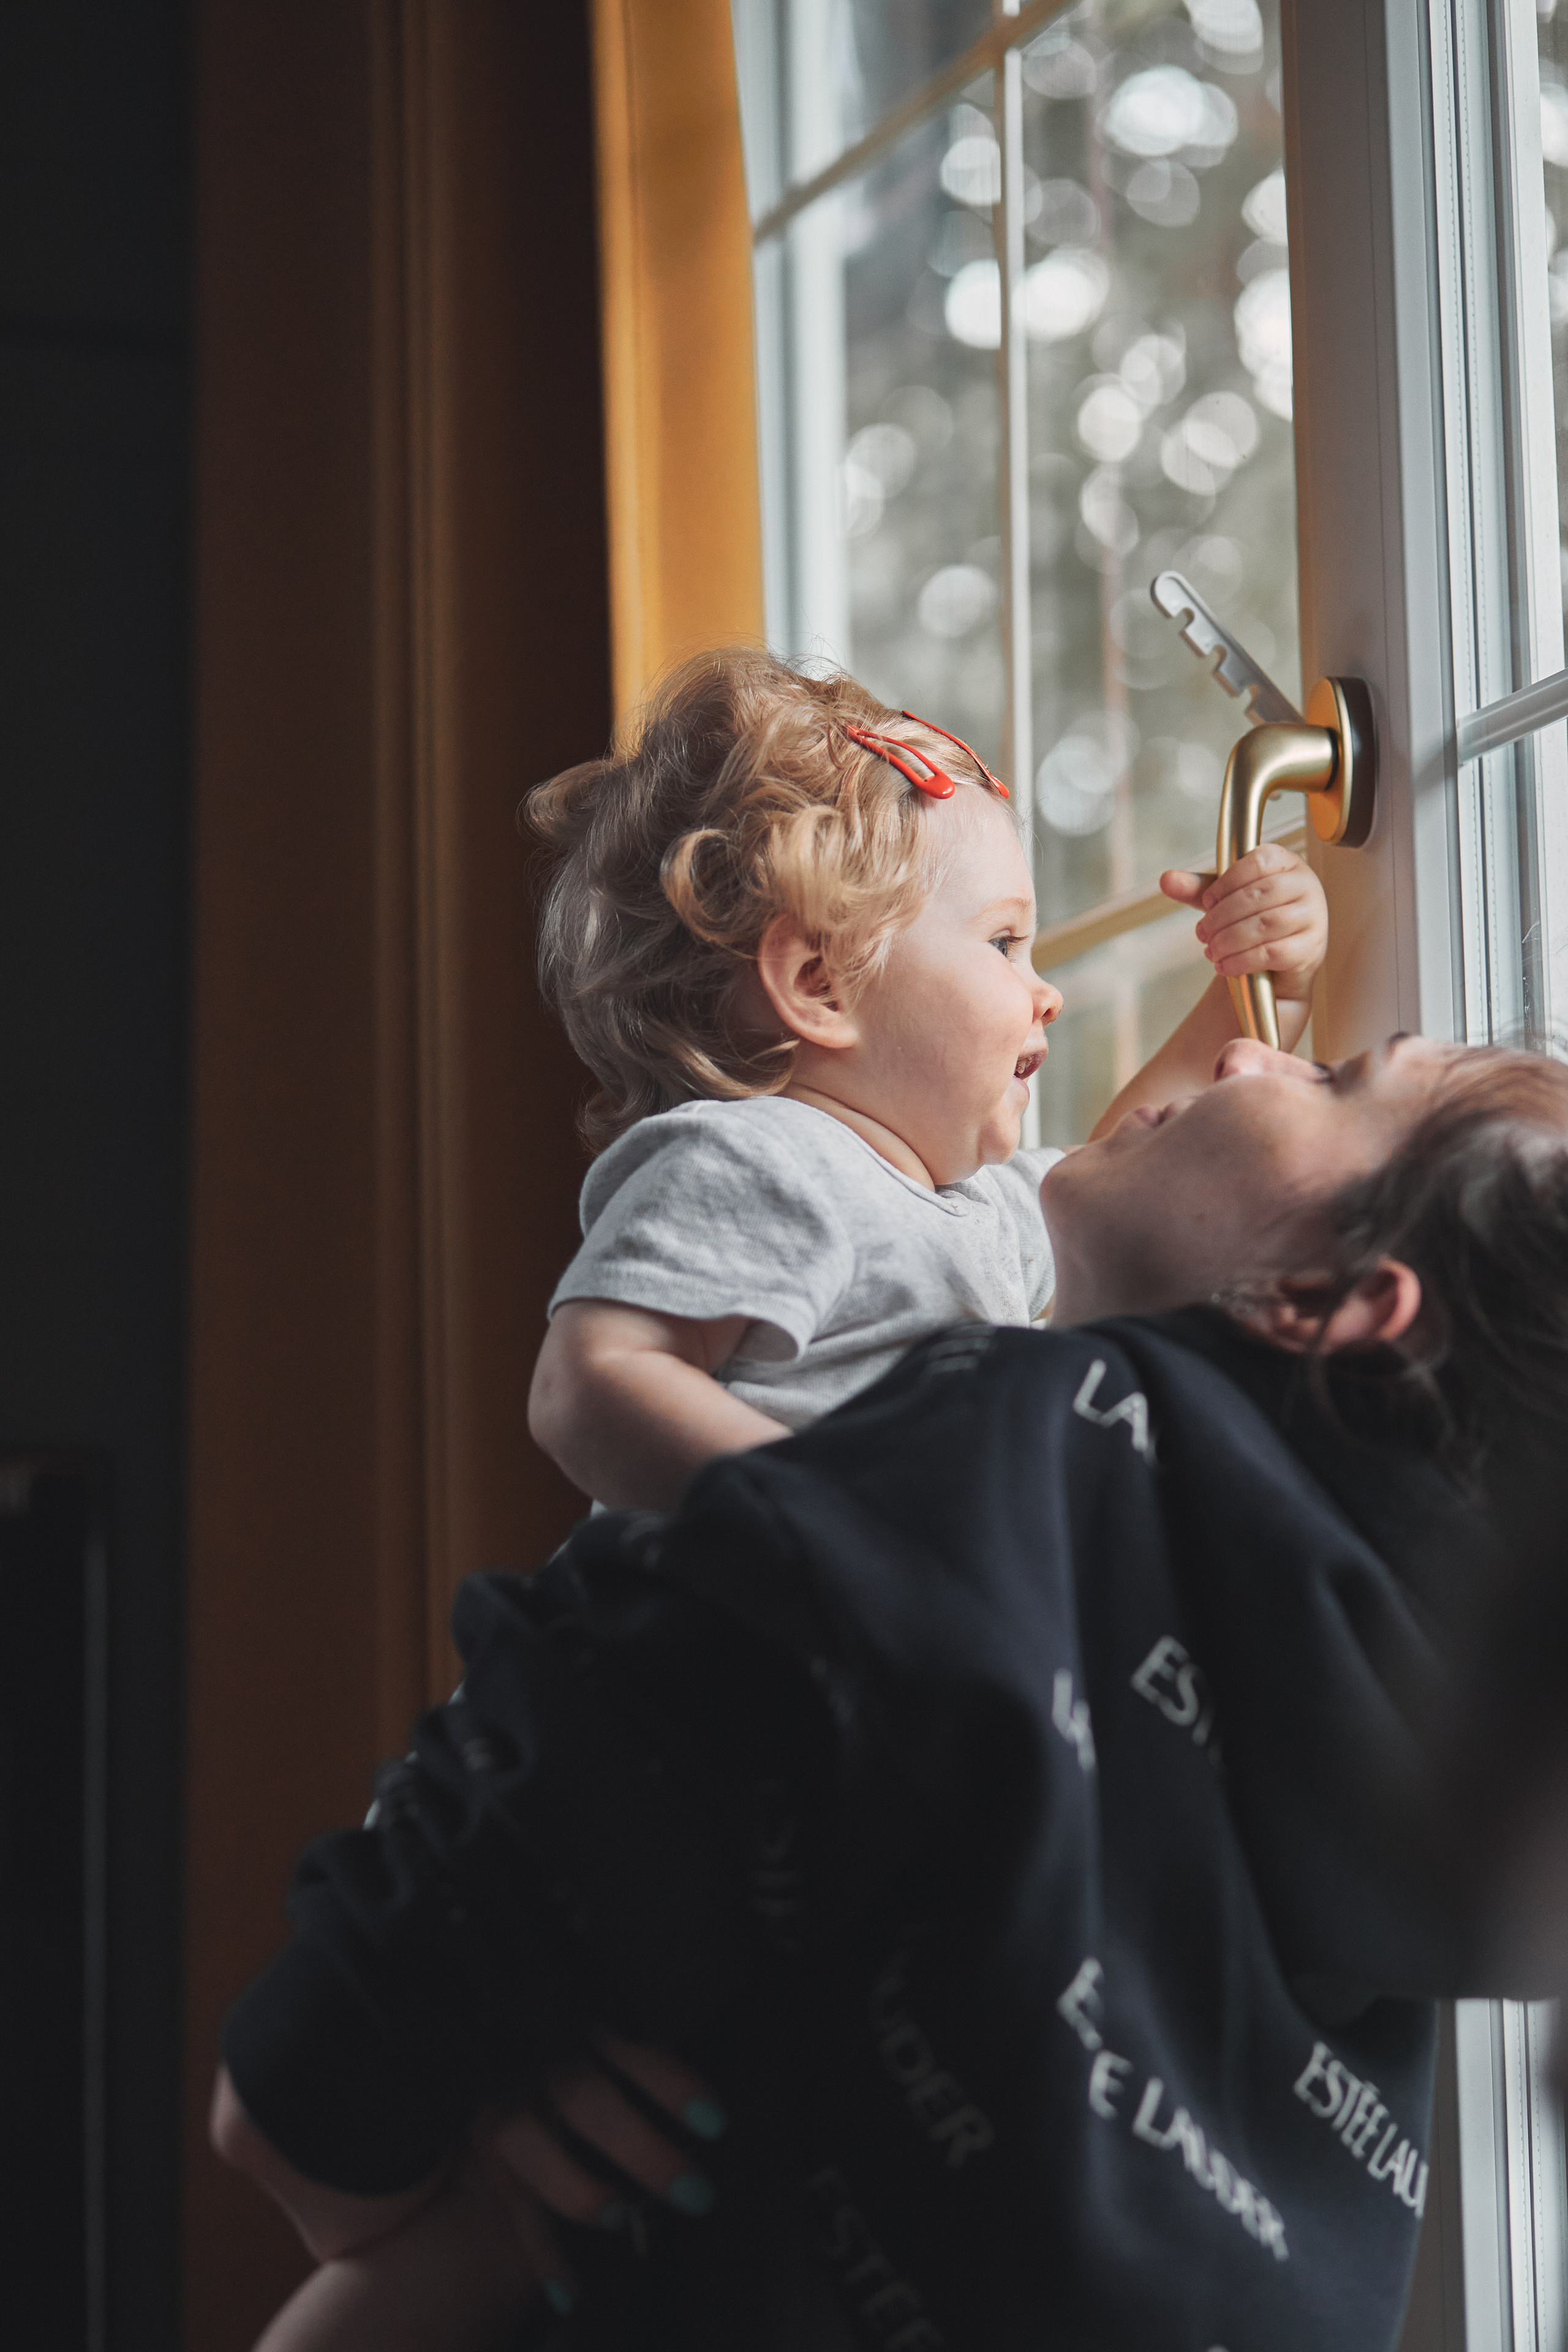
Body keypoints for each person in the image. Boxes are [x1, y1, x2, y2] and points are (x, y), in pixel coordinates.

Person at [213, 1030, 1568, 2352]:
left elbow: (622, 1708)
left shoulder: (1022, 1439)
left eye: (1329, 1080)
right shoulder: (1430, 1826)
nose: (1243, 1057)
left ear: (1330, 1303)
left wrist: (347, 2113)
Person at [524, 649, 1329, 1509]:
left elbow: (1130, 1158)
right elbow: (588, 1380)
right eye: (1002, 944)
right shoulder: (758, 1164)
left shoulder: (966, 1202)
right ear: (820, 984)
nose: (1044, 993)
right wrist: (832, 1519)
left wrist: (1256, 984)